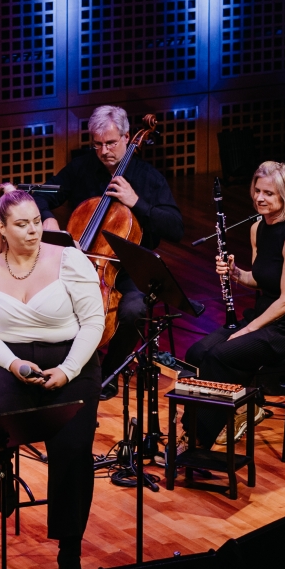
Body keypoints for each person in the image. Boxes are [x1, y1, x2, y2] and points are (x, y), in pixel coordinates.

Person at [0, 184, 105, 569]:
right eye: (21, 225)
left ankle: (69, 551)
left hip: (71, 360)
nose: (33, 231)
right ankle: (1, 465)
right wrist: (14, 364)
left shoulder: (70, 262)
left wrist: (67, 369)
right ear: (2, 228)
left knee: (73, 450)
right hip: (10, 360)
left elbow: (94, 323)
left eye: (36, 223)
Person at [34, 105, 183, 380]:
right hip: (83, 262)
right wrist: (47, 218)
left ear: (127, 137)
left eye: (111, 143)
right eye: (98, 144)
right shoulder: (82, 168)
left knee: (133, 310)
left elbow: (175, 227)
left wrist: (137, 203)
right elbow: (41, 194)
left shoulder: (149, 178)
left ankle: (109, 371)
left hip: (129, 270)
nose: (104, 151)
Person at [185, 161, 285, 450]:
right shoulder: (258, 228)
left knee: (221, 355)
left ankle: (202, 437)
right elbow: (259, 279)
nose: (259, 198)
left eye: (269, 193)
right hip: (264, 318)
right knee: (197, 351)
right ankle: (224, 416)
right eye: (257, 190)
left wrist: (247, 331)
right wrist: (235, 273)